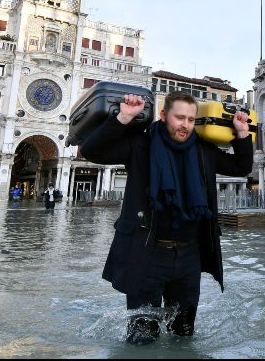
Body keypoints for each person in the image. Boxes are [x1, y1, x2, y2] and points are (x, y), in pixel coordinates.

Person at [80, 90, 253, 344]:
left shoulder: (205, 151)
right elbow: (92, 152)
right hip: (147, 254)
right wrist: (124, 117)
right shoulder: (141, 144)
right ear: (163, 115)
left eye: (191, 120)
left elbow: (241, 167)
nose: (185, 125)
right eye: (179, 118)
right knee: (142, 338)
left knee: (183, 335)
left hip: (189, 258)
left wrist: (241, 133)